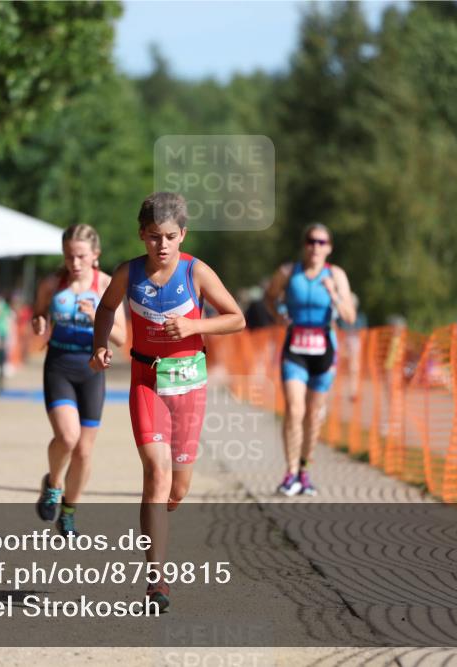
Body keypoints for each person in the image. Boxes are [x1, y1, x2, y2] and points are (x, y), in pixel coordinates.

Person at [91, 192, 245, 612]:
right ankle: (157, 582)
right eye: (154, 236)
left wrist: (195, 326)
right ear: (142, 234)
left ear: (183, 235)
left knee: (177, 487)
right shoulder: (128, 273)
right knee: (156, 474)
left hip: (189, 385)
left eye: (170, 237)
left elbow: (237, 318)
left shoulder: (196, 272)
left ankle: (168, 504)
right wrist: (100, 345)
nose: (162, 245)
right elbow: (105, 309)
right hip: (146, 380)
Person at [32, 225, 126, 537]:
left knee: (84, 451)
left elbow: (122, 337)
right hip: (59, 365)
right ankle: (53, 484)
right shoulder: (52, 284)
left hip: (92, 370)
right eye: (69, 256)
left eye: (81, 256)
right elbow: (39, 313)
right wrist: (39, 321)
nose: (74, 263)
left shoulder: (107, 285)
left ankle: (69, 512)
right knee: (68, 437)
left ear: (95, 255)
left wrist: (97, 315)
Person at [264, 223, 356, 497]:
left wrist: (334, 294)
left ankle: (304, 472)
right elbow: (269, 297)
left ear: (329, 248)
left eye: (321, 242)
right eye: (311, 241)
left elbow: (350, 317)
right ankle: (290, 473)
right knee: (295, 410)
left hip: (324, 349)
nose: (316, 246)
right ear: (304, 245)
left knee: (314, 414)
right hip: (295, 348)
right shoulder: (288, 272)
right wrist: (278, 315)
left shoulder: (335, 275)